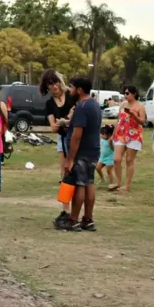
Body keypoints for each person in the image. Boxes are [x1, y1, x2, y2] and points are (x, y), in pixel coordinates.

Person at [58, 77, 102, 232]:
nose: (69, 90)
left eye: (71, 87)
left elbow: (77, 135)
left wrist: (70, 159)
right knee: (89, 183)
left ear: (80, 90)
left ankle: (73, 220)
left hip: (81, 152)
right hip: (93, 150)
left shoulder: (82, 107)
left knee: (80, 185)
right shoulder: (94, 105)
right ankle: (87, 219)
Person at [111, 86, 146, 192]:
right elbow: (119, 120)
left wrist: (133, 115)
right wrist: (113, 134)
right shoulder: (122, 105)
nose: (125, 95)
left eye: (127, 93)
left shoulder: (140, 106)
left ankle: (127, 185)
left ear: (134, 94)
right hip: (121, 134)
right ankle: (118, 182)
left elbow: (142, 122)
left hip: (134, 135)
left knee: (129, 160)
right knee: (116, 159)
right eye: (124, 93)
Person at [41, 69, 75, 177]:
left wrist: (62, 121)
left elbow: (79, 114)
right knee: (64, 169)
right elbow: (54, 127)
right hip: (62, 138)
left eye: (56, 83)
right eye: (50, 84)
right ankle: (65, 190)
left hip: (76, 135)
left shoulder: (71, 95)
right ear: (46, 86)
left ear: (60, 82)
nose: (54, 87)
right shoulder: (49, 104)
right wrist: (68, 117)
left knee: (76, 166)